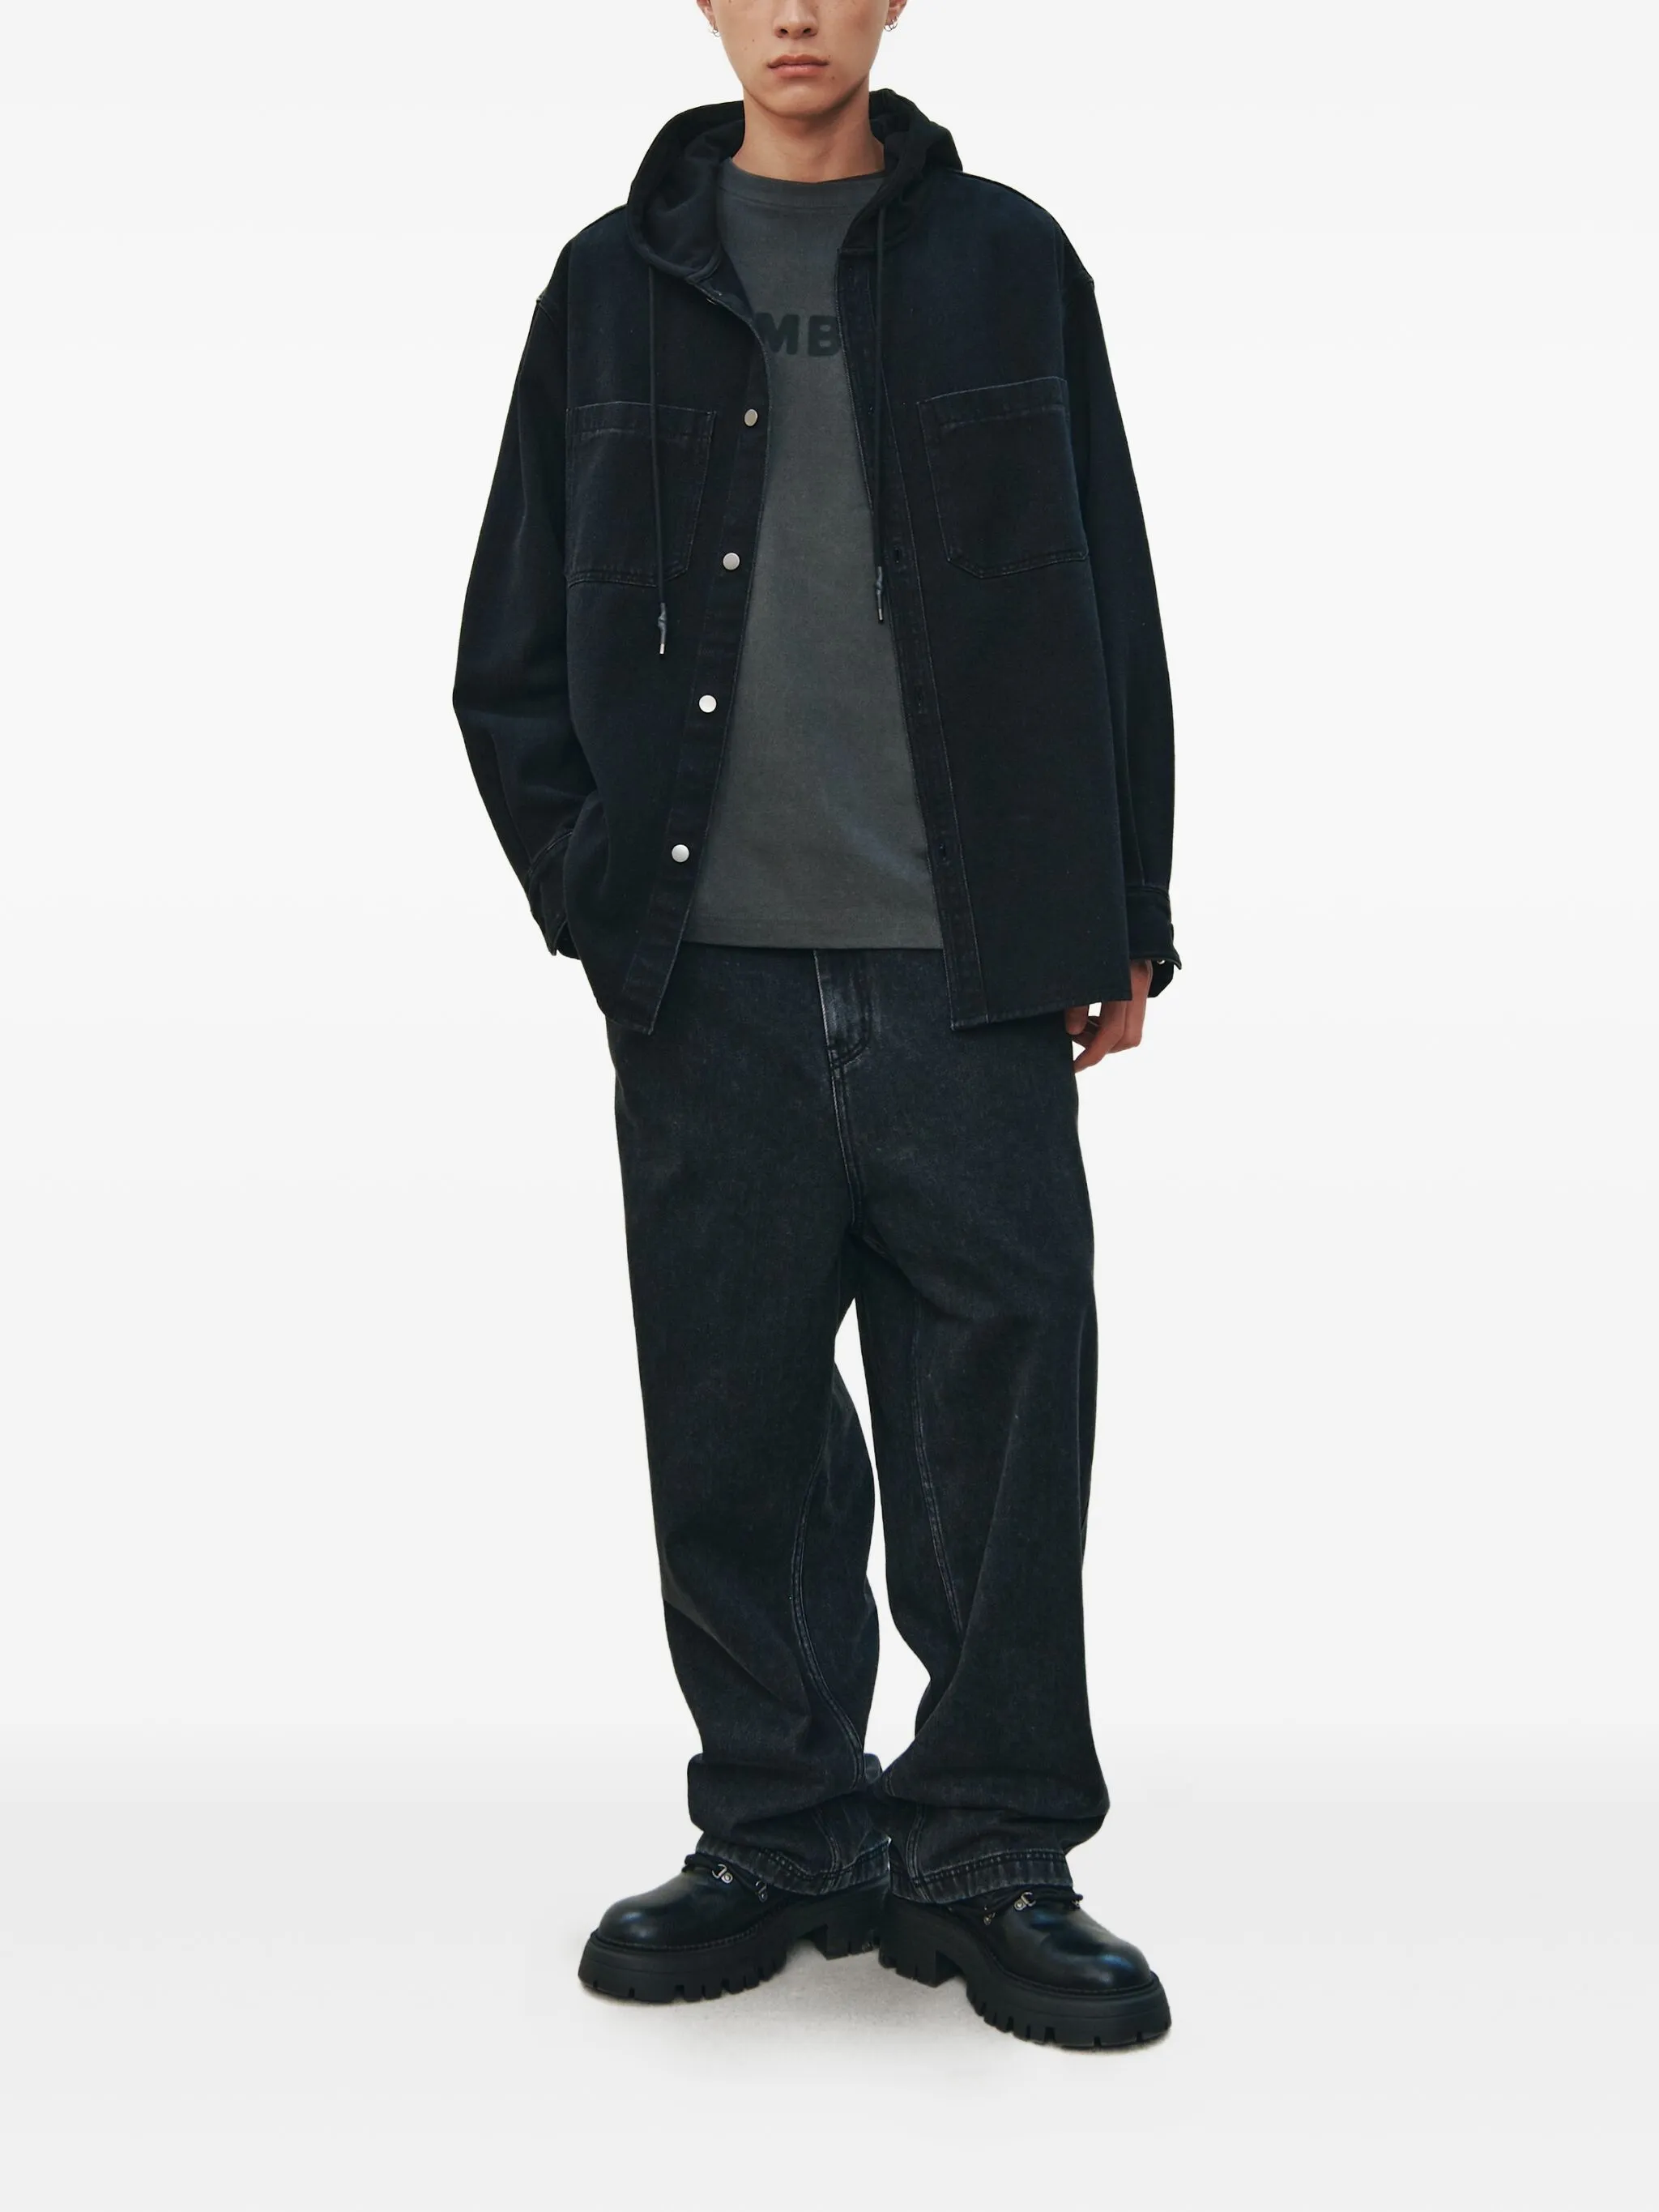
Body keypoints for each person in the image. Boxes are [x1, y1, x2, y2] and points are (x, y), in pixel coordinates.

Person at [452, 0, 1179, 2052]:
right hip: (708, 975)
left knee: (998, 1424)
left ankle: (987, 1850)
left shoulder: (1010, 261)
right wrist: (600, 899)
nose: (792, 10)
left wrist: (1122, 910)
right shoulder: (604, 289)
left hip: (973, 960)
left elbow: (1108, 594)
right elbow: (508, 647)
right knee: (734, 1423)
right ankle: (778, 1829)